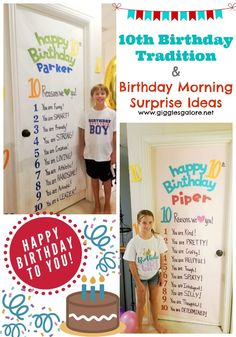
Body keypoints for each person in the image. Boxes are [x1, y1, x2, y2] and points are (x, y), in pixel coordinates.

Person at [123, 210, 168, 333]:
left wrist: (162, 274)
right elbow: (131, 263)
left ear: (153, 223)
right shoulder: (134, 242)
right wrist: (138, 282)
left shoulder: (158, 239)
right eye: (144, 223)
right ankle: (139, 327)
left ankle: (156, 323)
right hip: (141, 278)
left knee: (154, 300)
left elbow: (162, 257)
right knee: (141, 303)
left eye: (150, 222)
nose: (147, 225)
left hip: (154, 276)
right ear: (138, 223)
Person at [79, 84, 116, 214]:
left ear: (106, 95)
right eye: (97, 93)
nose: (100, 96)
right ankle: (97, 204)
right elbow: (82, 132)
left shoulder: (112, 114)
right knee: (94, 179)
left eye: (102, 93)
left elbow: (115, 134)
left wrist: (115, 153)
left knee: (106, 180)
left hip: (106, 154)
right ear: (93, 96)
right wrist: (81, 148)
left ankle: (107, 203)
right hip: (90, 154)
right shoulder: (86, 113)